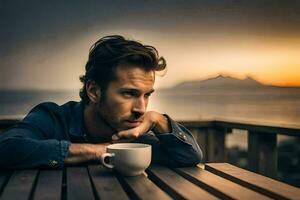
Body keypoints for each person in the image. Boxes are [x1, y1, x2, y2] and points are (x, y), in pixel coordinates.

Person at [0, 35, 202, 169]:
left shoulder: (138, 134)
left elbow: (190, 156)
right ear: (94, 91)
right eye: (128, 94)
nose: (141, 109)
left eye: (147, 95)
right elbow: (6, 148)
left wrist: (157, 120)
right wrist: (106, 151)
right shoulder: (53, 118)